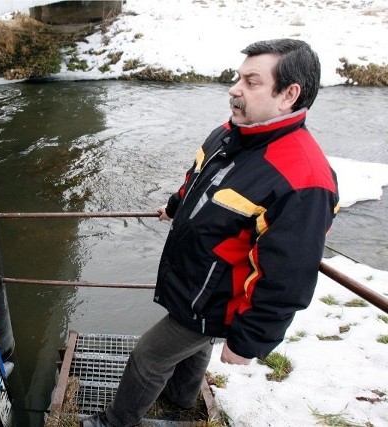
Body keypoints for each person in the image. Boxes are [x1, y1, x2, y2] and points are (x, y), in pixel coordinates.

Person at [81, 39, 339, 427]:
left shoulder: (304, 179)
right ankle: (183, 398)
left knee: (149, 357)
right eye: (238, 78)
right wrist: (174, 205)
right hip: (193, 281)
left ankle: (114, 422)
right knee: (192, 342)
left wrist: (249, 339)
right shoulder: (233, 132)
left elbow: (288, 276)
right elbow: (199, 178)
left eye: (251, 82)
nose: (234, 89)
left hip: (217, 298)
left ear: (289, 95)